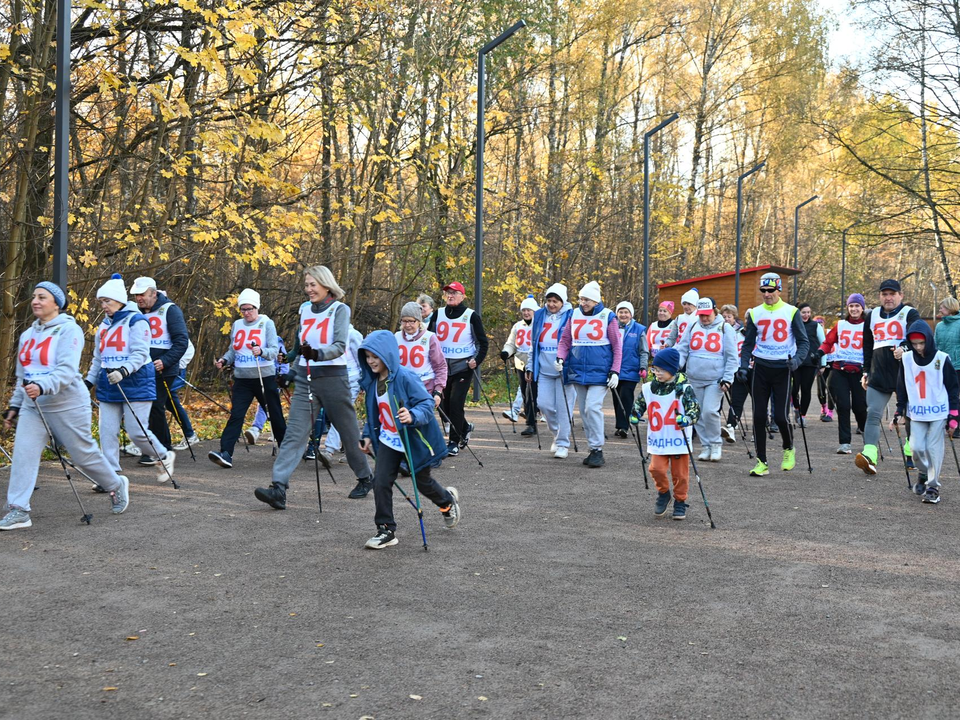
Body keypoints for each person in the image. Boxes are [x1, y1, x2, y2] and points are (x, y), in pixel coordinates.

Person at [1, 283, 129, 530]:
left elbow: (67, 372)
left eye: (42, 297)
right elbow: (22, 375)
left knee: (83, 455)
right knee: (23, 454)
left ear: (56, 303)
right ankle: (19, 510)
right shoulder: (27, 335)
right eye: (34, 296)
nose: (35, 301)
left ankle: (114, 484)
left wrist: (42, 385)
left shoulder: (69, 331)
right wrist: (14, 406)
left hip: (67, 403)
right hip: (33, 406)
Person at [254, 266, 374, 508]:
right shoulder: (306, 311)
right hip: (307, 380)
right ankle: (278, 488)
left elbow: (340, 345)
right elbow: (300, 349)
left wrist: (317, 353)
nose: (308, 289)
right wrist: (290, 374)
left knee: (349, 435)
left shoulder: (340, 310)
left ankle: (365, 477)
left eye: (312, 284)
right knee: (294, 434)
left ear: (325, 284)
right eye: (306, 285)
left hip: (334, 379)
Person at [358, 331, 461, 549]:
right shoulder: (372, 382)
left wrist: (412, 415)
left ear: (386, 354)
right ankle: (385, 530)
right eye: (367, 357)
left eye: (374, 356)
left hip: (413, 438)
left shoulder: (405, 377)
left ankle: (446, 501)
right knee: (380, 481)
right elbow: (374, 412)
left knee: (422, 482)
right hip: (389, 439)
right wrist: (367, 435)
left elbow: (425, 404)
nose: (371, 361)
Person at [86, 274, 175, 483]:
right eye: (101, 302)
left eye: (107, 301)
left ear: (119, 300)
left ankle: (163, 455)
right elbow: (98, 358)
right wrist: (88, 382)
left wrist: (124, 371)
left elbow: (140, 354)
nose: (103, 306)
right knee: (107, 432)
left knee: (137, 433)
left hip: (136, 380)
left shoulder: (137, 321)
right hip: (110, 383)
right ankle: (111, 478)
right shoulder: (104, 326)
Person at [737, 272, 809, 476]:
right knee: (759, 416)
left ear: (779, 289)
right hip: (760, 368)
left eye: (770, 290)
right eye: (763, 291)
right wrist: (743, 366)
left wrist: (796, 361)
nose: (767, 294)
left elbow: (804, 342)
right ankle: (762, 462)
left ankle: (788, 448)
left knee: (780, 416)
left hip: (783, 369)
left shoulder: (791, 311)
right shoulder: (754, 313)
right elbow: (748, 344)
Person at [209, 289, 286, 468]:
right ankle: (226, 453)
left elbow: (275, 350)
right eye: (243, 309)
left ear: (256, 307)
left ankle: (287, 450)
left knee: (274, 414)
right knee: (236, 415)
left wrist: (262, 351)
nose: (246, 313)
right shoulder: (237, 325)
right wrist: (224, 359)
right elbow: (233, 350)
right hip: (242, 379)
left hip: (263, 376)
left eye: (249, 308)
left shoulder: (266, 323)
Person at [855, 279, 921, 475]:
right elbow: (867, 345)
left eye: (892, 294)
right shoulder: (872, 315)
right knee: (873, 414)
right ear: (880, 296)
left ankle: (910, 453)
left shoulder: (910, 313)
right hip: (878, 372)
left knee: (911, 415)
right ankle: (869, 456)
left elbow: (918, 336)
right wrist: (865, 371)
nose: (888, 297)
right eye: (884, 294)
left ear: (900, 295)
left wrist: (905, 348)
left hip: (905, 372)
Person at [892, 320, 960, 503]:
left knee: (933, 448)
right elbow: (902, 385)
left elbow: (953, 387)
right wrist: (899, 409)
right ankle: (923, 472)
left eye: (921, 343)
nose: (918, 348)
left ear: (928, 340)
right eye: (914, 344)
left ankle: (933, 486)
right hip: (916, 412)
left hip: (938, 411)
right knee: (916, 448)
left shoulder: (942, 358)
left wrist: (954, 414)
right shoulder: (906, 359)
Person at [557, 281, 622, 468]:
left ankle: (598, 448)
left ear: (595, 300)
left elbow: (617, 346)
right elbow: (565, 341)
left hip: (600, 372)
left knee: (592, 408)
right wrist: (560, 358)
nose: (582, 302)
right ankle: (593, 449)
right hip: (578, 371)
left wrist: (615, 371)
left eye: (586, 299)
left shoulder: (607, 316)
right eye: (581, 299)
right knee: (585, 412)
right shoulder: (574, 314)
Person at [630, 348, 701, 521]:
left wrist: (687, 418)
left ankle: (680, 500)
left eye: (661, 370)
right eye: (654, 369)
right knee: (656, 468)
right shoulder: (648, 387)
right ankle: (663, 493)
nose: (657, 373)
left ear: (672, 370)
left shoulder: (684, 388)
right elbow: (640, 403)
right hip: (659, 437)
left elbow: (695, 409)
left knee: (680, 475)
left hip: (678, 439)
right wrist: (635, 414)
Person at [129, 277, 190, 465]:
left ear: (154, 293)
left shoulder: (170, 310)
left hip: (164, 368)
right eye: (136, 295)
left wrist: (164, 361)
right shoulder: (134, 313)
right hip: (140, 368)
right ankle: (152, 446)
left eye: (142, 295)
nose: (139, 298)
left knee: (155, 405)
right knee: (141, 406)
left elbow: (182, 342)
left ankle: (160, 449)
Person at [428, 281, 489, 455]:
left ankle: (453, 442)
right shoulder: (438, 314)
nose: (450, 295)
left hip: (463, 367)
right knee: (444, 406)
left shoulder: (471, 316)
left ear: (462, 296)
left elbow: (482, 343)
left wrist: (476, 360)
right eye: (448, 292)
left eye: (454, 293)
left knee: (455, 404)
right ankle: (466, 427)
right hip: (441, 368)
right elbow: (428, 338)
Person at [676, 297, 738, 461]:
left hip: (715, 379)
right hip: (694, 377)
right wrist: (675, 367)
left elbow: (732, 357)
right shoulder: (693, 326)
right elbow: (682, 349)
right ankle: (706, 446)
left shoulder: (725, 328)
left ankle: (716, 444)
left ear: (715, 311)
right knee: (697, 413)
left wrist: (728, 378)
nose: (704, 318)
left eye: (707, 315)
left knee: (709, 411)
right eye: (701, 315)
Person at [527, 284, 575, 459]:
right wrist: (530, 366)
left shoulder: (572, 315)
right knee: (544, 405)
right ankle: (557, 433)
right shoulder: (539, 315)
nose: (551, 304)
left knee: (564, 408)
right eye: (549, 301)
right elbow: (533, 343)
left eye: (555, 301)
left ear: (563, 301)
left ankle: (563, 443)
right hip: (545, 368)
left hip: (564, 369)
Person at [816, 294, 868, 454]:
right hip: (840, 370)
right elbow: (828, 342)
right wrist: (818, 353)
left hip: (859, 372)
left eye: (857, 306)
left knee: (860, 407)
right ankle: (845, 443)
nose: (854, 309)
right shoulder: (841, 324)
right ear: (847, 308)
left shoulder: (868, 326)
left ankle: (867, 437)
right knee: (843, 406)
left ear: (862, 308)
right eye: (851, 306)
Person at [314, 324, 364, 463]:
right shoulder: (327, 334)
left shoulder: (352, 334)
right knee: (346, 417)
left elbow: (361, 358)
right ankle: (354, 451)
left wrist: (364, 379)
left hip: (351, 380)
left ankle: (329, 450)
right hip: (334, 380)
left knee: (340, 415)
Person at [501, 296, 540, 437]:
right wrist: (506, 352)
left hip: (536, 363)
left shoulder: (539, 324)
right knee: (525, 393)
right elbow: (511, 343)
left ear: (535, 311)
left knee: (534, 393)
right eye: (524, 310)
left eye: (529, 310)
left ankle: (538, 417)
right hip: (520, 363)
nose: (526, 313)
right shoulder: (517, 326)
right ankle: (530, 423)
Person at [245, 335, 289, 445]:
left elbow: (283, 360)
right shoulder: (252, 340)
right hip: (256, 377)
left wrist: (282, 376)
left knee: (268, 405)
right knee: (268, 406)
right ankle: (273, 431)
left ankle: (256, 429)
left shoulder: (276, 341)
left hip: (273, 378)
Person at [613, 301, 648, 438]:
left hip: (631, 369)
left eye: (626, 312)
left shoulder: (639, 329)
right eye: (621, 312)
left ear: (631, 314)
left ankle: (624, 426)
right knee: (617, 398)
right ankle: (620, 425)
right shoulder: (612, 327)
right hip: (615, 370)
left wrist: (643, 366)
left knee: (626, 396)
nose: (623, 315)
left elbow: (644, 350)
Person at [790, 303, 826, 427]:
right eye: (803, 312)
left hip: (810, 363)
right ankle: (796, 408)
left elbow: (823, 344)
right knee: (794, 390)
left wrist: (823, 364)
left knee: (806, 389)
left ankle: (802, 415)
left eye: (808, 312)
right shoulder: (793, 324)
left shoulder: (815, 326)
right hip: (796, 361)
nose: (806, 315)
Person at [719, 304, 748, 444]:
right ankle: (731, 426)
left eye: (729, 317)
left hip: (745, 369)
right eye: (724, 317)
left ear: (734, 317)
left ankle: (763, 423)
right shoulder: (719, 331)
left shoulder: (742, 332)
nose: (726, 319)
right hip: (729, 370)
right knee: (735, 400)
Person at [934, 297, 960, 438]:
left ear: (950, 308)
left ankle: (957, 424)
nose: (940, 309)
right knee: (944, 395)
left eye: (942, 307)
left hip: (958, 365)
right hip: (943, 366)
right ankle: (947, 422)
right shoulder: (939, 326)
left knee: (955, 395)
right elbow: (935, 345)